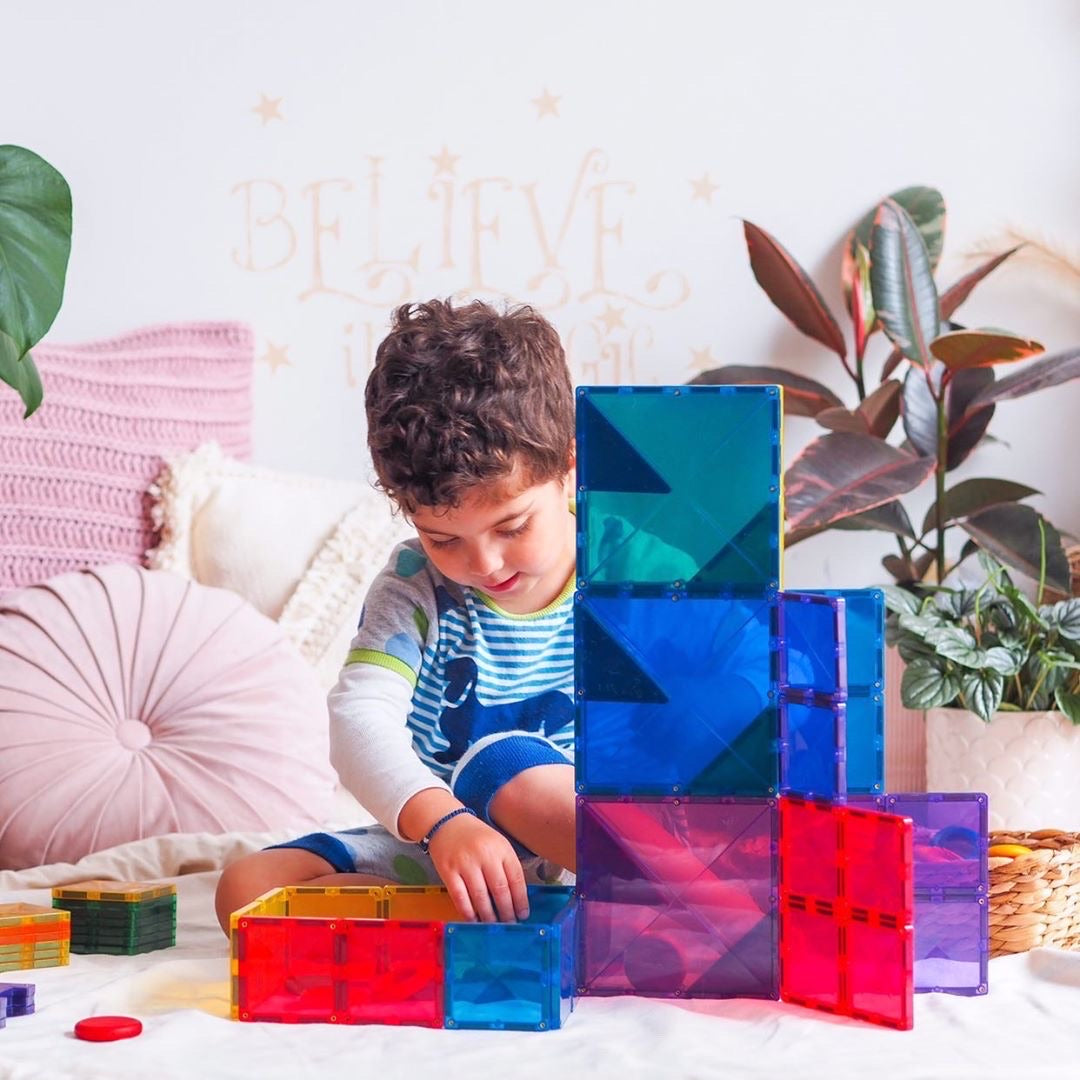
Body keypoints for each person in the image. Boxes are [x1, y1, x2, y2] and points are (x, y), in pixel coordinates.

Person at [215, 298, 580, 931]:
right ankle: (464, 926)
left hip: (579, 845)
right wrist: (444, 822)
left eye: (512, 526)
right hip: (446, 841)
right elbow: (360, 717)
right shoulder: (415, 588)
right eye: (444, 538)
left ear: (570, 470)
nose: (484, 562)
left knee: (505, 764)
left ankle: (626, 897)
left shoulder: (630, 574)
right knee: (246, 891)